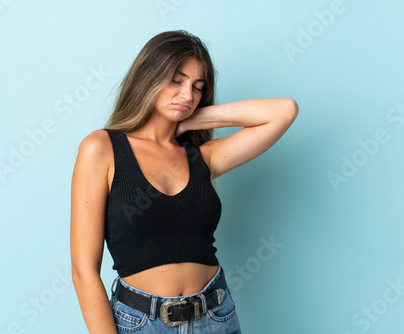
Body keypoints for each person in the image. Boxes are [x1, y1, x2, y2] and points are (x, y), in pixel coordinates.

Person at [70, 30, 298, 333]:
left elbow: (284, 111)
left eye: (197, 87)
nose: (187, 94)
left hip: (216, 316)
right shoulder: (101, 149)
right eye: (176, 80)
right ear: (148, 76)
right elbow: (83, 270)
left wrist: (195, 118)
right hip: (141, 323)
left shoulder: (203, 157)